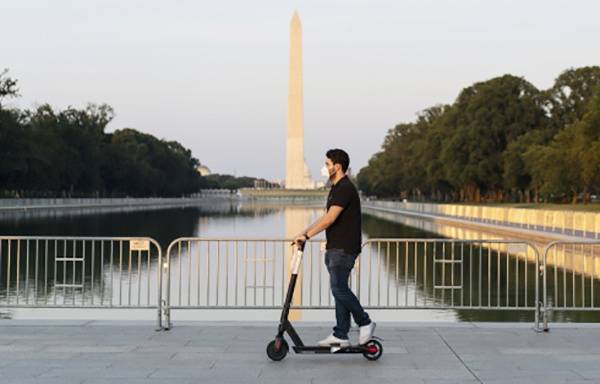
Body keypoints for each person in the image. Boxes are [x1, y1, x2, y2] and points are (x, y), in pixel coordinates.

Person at [293, 148, 375, 347]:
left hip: (343, 248)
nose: (325, 168)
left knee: (338, 289)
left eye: (328, 164)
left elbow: (330, 219)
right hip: (335, 247)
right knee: (339, 290)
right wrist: (304, 232)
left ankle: (365, 321)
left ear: (337, 167)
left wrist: (307, 235)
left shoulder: (345, 188)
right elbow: (325, 218)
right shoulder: (336, 188)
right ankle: (340, 334)